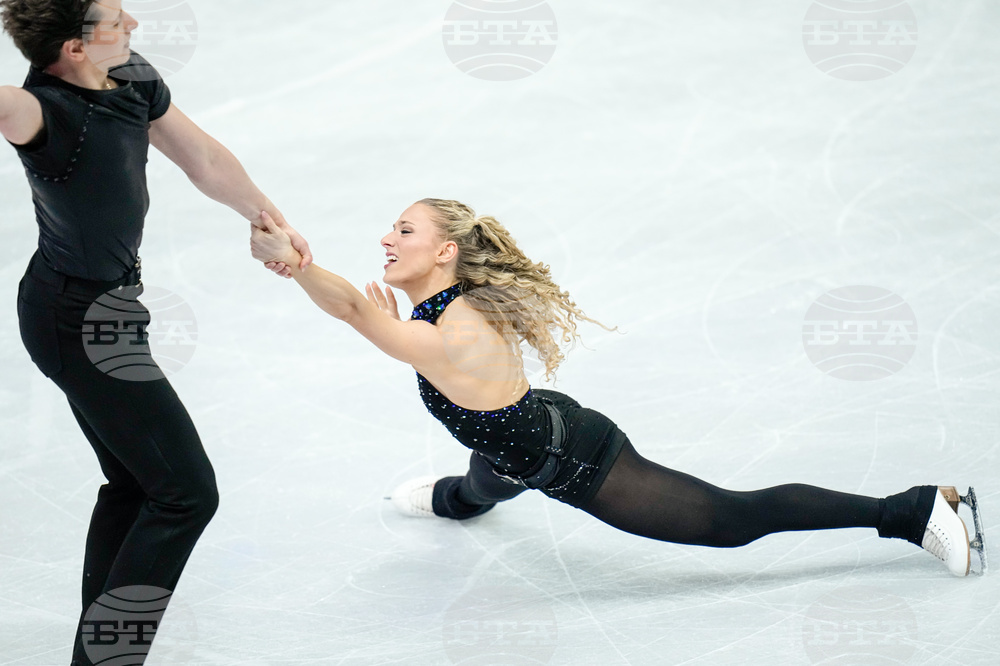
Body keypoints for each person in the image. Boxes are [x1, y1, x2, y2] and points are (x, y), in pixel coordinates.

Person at [252, 200, 985, 579]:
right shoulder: (441, 308)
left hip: (580, 463)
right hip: (520, 441)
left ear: (444, 251)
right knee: (486, 478)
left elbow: (352, 308)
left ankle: (914, 511)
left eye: (403, 230)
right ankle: (454, 499)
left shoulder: (453, 330)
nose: (387, 239)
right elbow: (392, 330)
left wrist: (295, 263)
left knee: (732, 520)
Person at [1, 1, 312, 663]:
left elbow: (201, 158)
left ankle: (98, 650)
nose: (134, 24)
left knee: (139, 485)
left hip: (113, 311)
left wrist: (264, 216)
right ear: (74, 49)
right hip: (72, 322)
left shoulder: (130, 77)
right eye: (116, 18)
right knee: (185, 493)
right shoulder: (43, 111)